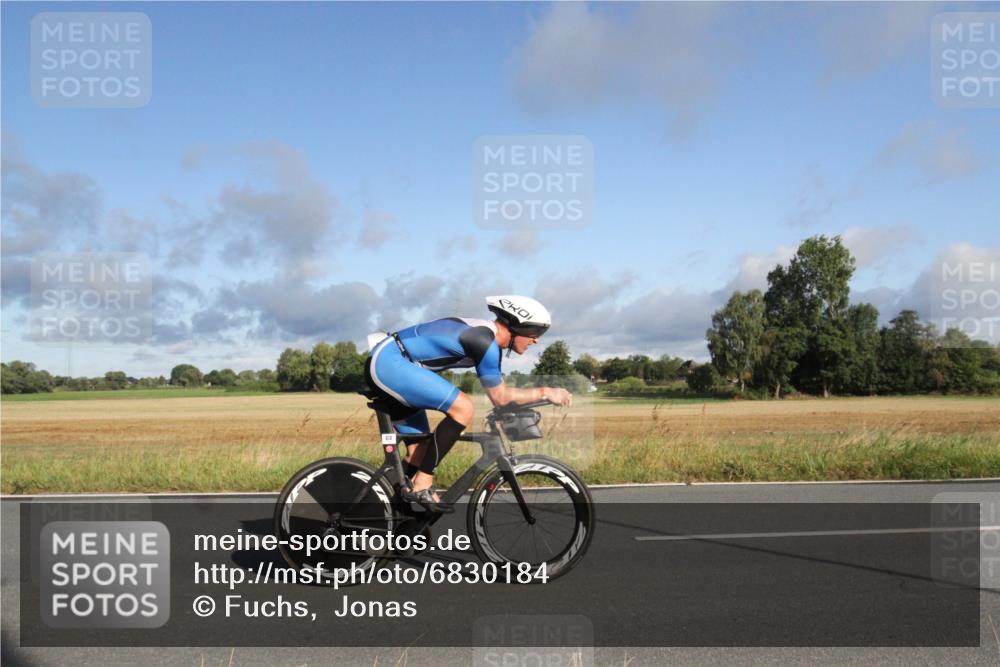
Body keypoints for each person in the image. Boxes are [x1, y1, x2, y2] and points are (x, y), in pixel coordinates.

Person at [364, 295, 572, 512]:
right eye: (535, 332)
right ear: (517, 325)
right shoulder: (484, 341)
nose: (536, 340)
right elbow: (499, 396)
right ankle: (422, 483)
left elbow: (500, 394)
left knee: (420, 451)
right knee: (463, 407)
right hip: (390, 362)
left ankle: (387, 512)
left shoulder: (487, 339)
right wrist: (545, 392)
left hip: (397, 363)